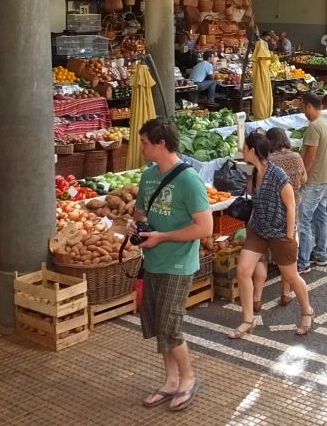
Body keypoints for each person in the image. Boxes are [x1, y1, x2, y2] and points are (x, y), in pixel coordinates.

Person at [131, 118, 212, 412]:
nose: (141, 148)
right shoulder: (148, 177)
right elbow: (140, 213)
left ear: (161, 143)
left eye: (144, 143)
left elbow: (205, 227)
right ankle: (171, 380)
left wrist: (163, 236)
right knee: (156, 323)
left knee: (170, 324)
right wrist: (137, 227)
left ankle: (188, 378)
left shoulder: (189, 180)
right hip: (153, 261)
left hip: (179, 263)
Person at [229, 131, 315, 338]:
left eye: (244, 148)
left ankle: (307, 311)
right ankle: (247, 320)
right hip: (258, 230)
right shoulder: (255, 173)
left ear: (252, 150)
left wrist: (287, 235)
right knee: (242, 270)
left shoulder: (277, 174)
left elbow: (291, 205)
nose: (242, 152)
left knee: (291, 277)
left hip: (279, 232)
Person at [266, 127, 307, 306]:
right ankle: (285, 291)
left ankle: (256, 296)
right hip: (293, 211)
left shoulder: (269, 160)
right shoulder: (296, 156)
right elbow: (304, 178)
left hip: (273, 212)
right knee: (289, 254)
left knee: (265, 252)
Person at [297, 93, 327, 274]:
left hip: (313, 181)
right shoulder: (326, 123)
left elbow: (310, 157)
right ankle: (321, 255)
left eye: (303, 107)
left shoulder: (313, 127)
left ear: (309, 106)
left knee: (304, 220)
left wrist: (301, 176)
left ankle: (303, 262)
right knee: (321, 217)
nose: (303, 111)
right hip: (325, 178)